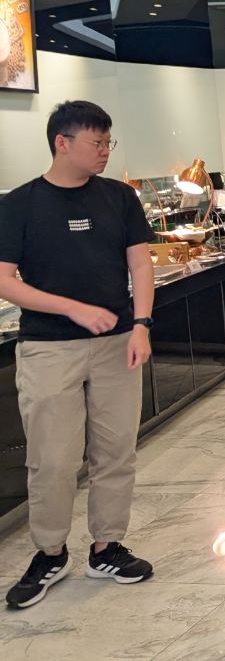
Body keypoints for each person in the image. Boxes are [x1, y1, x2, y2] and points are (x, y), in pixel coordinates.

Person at [0, 100, 156, 609]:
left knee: (116, 452)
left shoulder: (120, 198)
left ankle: (107, 547)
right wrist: (72, 309)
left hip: (118, 344)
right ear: (62, 143)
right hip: (48, 347)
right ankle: (50, 552)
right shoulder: (20, 204)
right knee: (52, 458)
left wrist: (142, 325)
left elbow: (141, 265)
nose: (106, 151)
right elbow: (4, 281)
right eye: (97, 142)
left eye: (109, 142)